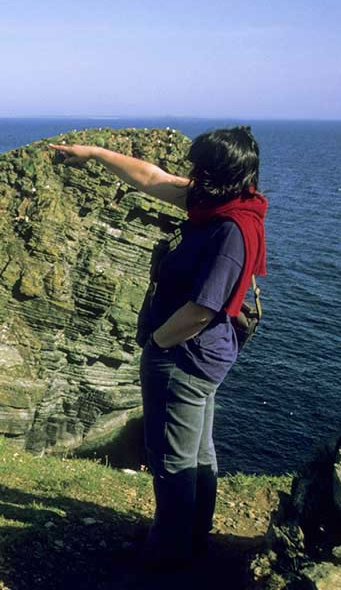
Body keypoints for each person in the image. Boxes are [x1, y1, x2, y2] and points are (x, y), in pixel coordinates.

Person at [49, 127, 268, 570]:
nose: (191, 174)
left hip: (185, 356)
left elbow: (203, 309)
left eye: (201, 168)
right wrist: (91, 153)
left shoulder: (230, 231)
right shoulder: (226, 201)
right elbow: (151, 178)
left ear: (219, 173)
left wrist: (157, 342)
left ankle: (166, 558)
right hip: (205, 354)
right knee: (198, 451)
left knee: (171, 460)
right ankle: (192, 536)